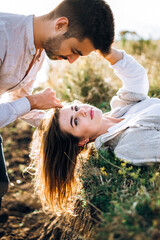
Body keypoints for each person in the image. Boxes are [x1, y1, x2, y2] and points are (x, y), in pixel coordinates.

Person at [0, 0, 114, 208]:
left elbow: (17, 100)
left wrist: (65, 123)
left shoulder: (37, 52)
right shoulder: (2, 35)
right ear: (60, 25)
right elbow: (25, 103)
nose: (71, 61)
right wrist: (32, 101)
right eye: (75, 51)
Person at [30, 47, 160, 210]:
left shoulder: (121, 107)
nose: (82, 111)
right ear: (82, 141)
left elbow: (136, 78)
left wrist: (104, 49)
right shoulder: (126, 145)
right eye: (75, 122)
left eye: (76, 108)